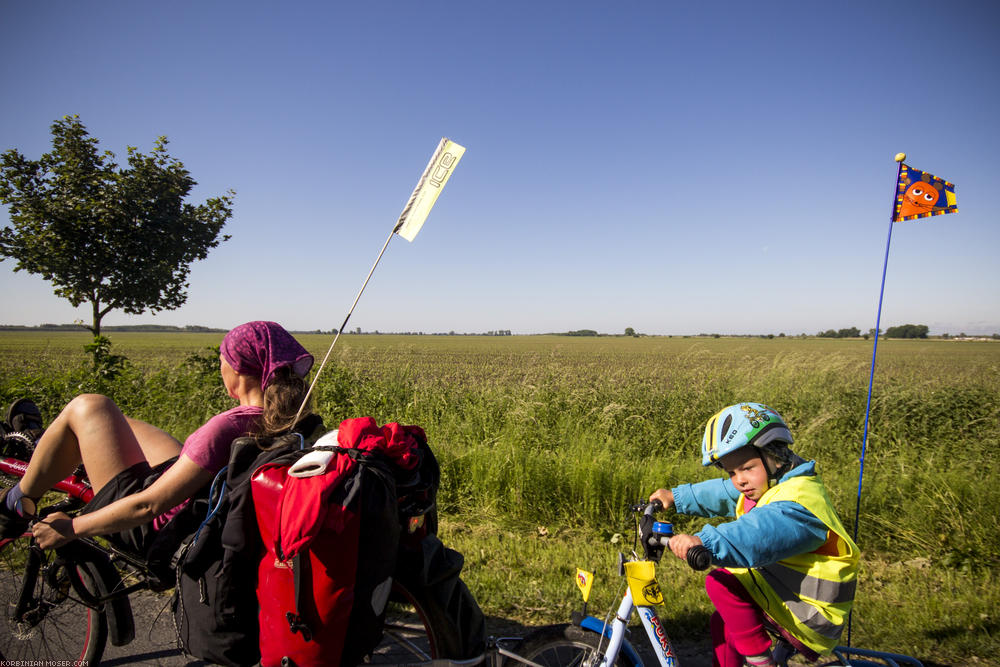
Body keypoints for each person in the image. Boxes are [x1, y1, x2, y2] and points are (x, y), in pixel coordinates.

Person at [0, 321, 314, 559]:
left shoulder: (225, 426)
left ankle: (17, 499)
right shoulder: (287, 418)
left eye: (223, 360)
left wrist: (72, 528)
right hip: (194, 501)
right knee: (120, 422)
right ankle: (46, 442)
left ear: (238, 369)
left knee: (90, 405)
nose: (221, 368)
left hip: (152, 530)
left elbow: (148, 506)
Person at [649, 402, 859, 667]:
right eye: (731, 472)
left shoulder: (798, 503)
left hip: (811, 611)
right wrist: (677, 497)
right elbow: (723, 492)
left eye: (747, 468)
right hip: (786, 591)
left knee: (721, 582)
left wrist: (704, 541)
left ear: (774, 455)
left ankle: (762, 663)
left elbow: (754, 535)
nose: (739, 480)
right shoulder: (769, 483)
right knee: (723, 621)